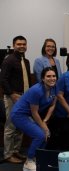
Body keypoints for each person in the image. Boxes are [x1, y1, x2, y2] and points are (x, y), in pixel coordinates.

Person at [11, 67, 57, 171]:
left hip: (30, 115)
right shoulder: (36, 90)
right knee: (40, 135)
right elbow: (34, 112)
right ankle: (29, 161)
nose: (52, 78)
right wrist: (44, 127)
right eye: (48, 76)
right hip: (19, 115)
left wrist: (45, 121)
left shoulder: (54, 87)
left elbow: (52, 105)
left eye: (54, 76)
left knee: (47, 135)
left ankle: (38, 159)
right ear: (43, 79)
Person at [0, 35, 30, 164]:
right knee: (11, 126)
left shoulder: (26, 61)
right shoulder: (9, 60)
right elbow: (3, 79)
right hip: (13, 97)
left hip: (24, 97)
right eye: (19, 44)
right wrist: (12, 94)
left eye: (24, 44)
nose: (22, 46)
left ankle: (16, 151)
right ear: (14, 45)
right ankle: (8, 154)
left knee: (20, 126)